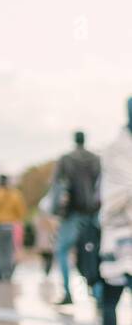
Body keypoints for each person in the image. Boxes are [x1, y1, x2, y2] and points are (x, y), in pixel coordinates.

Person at [83, 98, 132, 325]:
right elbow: (113, 194)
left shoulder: (115, 149)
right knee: (110, 299)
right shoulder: (115, 151)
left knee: (110, 300)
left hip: (116, 232)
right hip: (118, 236)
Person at [52, 130, 103, 306]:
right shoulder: (95, 160)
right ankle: (97, 292)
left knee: (62, 251)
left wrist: (57, 209)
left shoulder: (66, 159)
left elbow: (57, 185)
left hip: (72, 212)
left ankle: (68, 292)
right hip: (92, 212)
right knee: (93, 251)